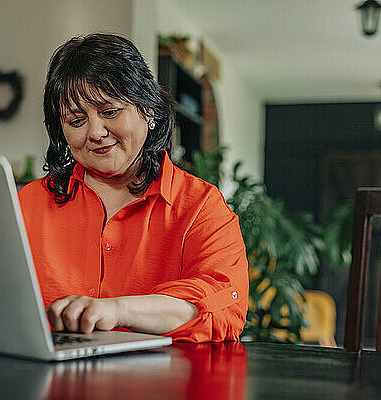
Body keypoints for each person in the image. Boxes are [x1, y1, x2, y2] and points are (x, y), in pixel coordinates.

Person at [18, 33, 248, 342]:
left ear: (148, 109)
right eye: (76, 120)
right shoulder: (26, 204)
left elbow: (222, 305)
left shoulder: (201, 206)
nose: (95, 132)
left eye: (110, 112)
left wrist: (117, 311)